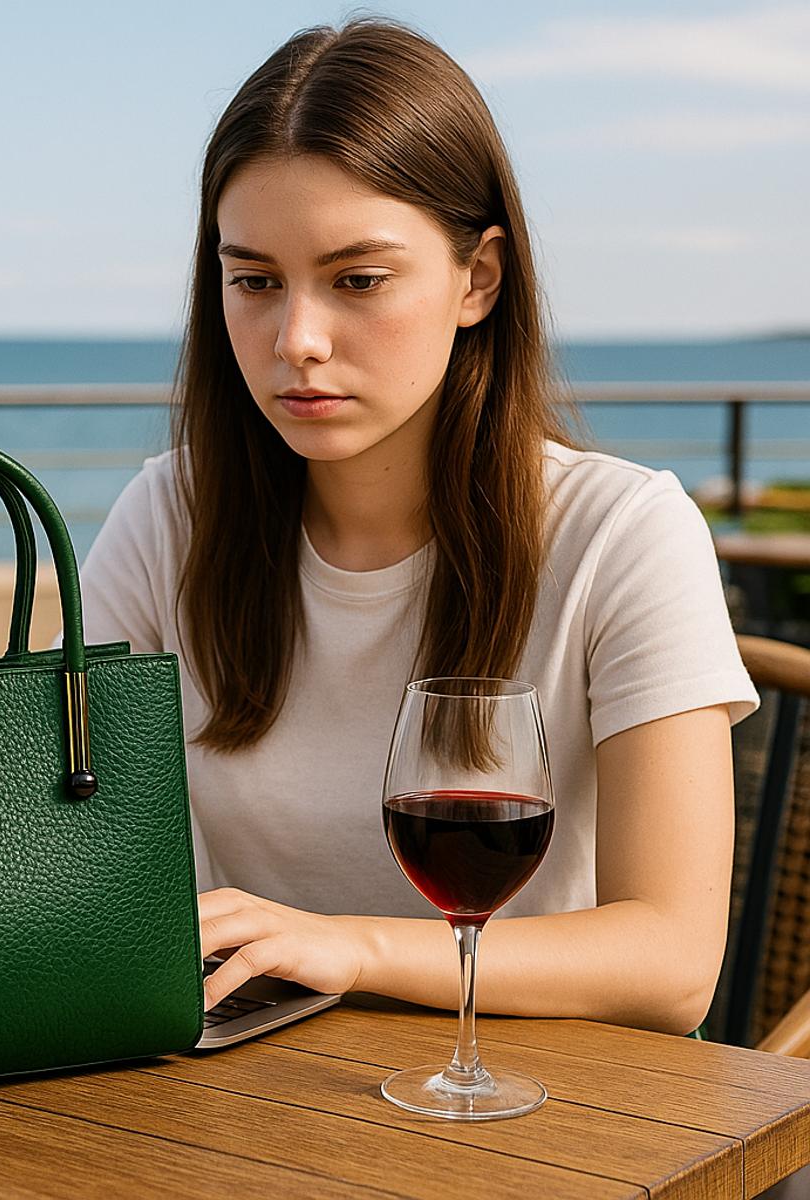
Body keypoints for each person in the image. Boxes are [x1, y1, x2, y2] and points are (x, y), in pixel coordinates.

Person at [76, 17, 758, 1035]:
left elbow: (672, 964)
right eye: (254, 280)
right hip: (246, 1102)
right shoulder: (167, 520)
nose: (295, 340)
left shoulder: (622, 535)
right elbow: (79, 864)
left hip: (544, 1112)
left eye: (357, 281)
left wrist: (347, 947)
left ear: (478, 278)